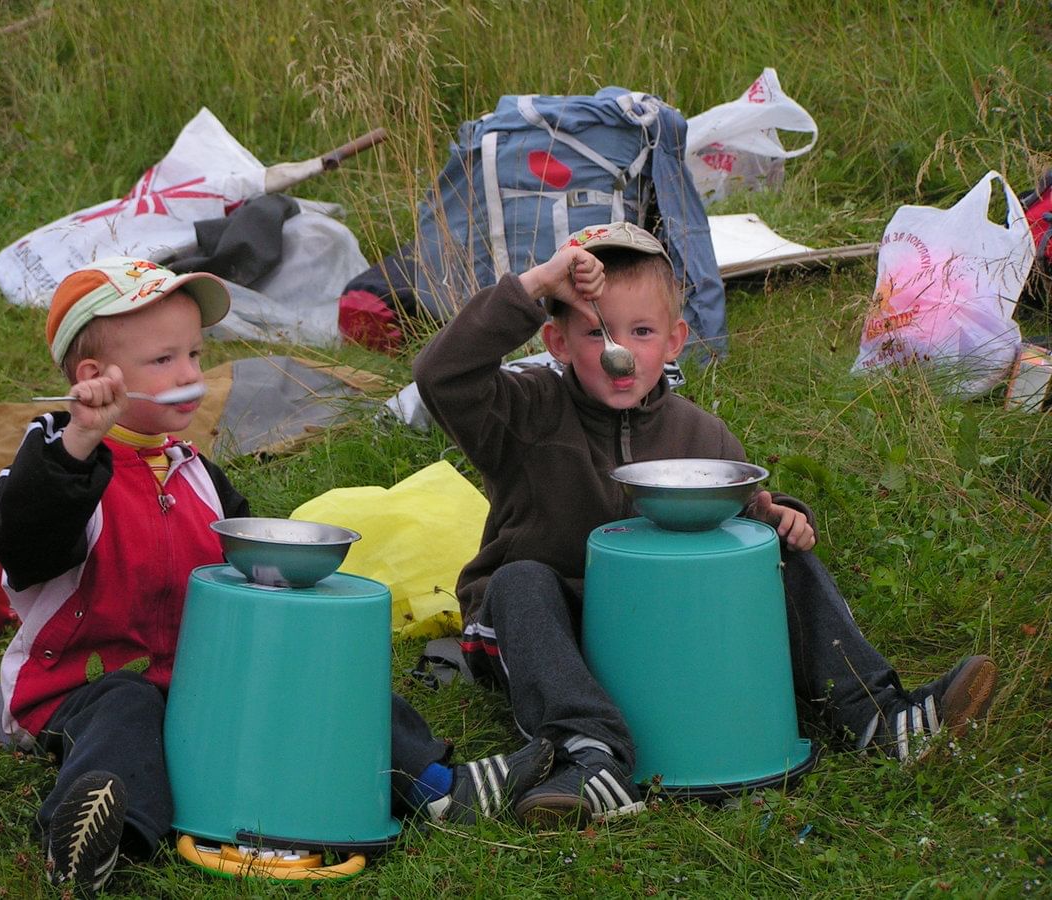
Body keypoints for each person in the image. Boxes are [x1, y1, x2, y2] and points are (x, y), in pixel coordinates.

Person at [0, 258, 552, 898]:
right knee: (127, 709)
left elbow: (241, 558)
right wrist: (80, 443)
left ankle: (438, 787)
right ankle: (100, 837)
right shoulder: (56, 460)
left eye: (195, 354)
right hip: (77, 688)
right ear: (94, 378)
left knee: (330, 683)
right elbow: (23, 541)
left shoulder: (194, 471)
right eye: (165, 360)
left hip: (196, 683)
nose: (191, 375)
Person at [412, 221, 999, 829]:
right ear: (557, 342)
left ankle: (879, 715)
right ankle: (592, 754)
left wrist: (775, 517)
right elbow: (440, 375)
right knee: (521, 579)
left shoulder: (702, 438)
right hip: (549, 629)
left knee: (773, 550)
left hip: (661, 628)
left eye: (642, 332)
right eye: (597, 334)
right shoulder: (524, 411)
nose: (622, 354)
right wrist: (536, 283)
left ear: (674, 341)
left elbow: (740, 524)